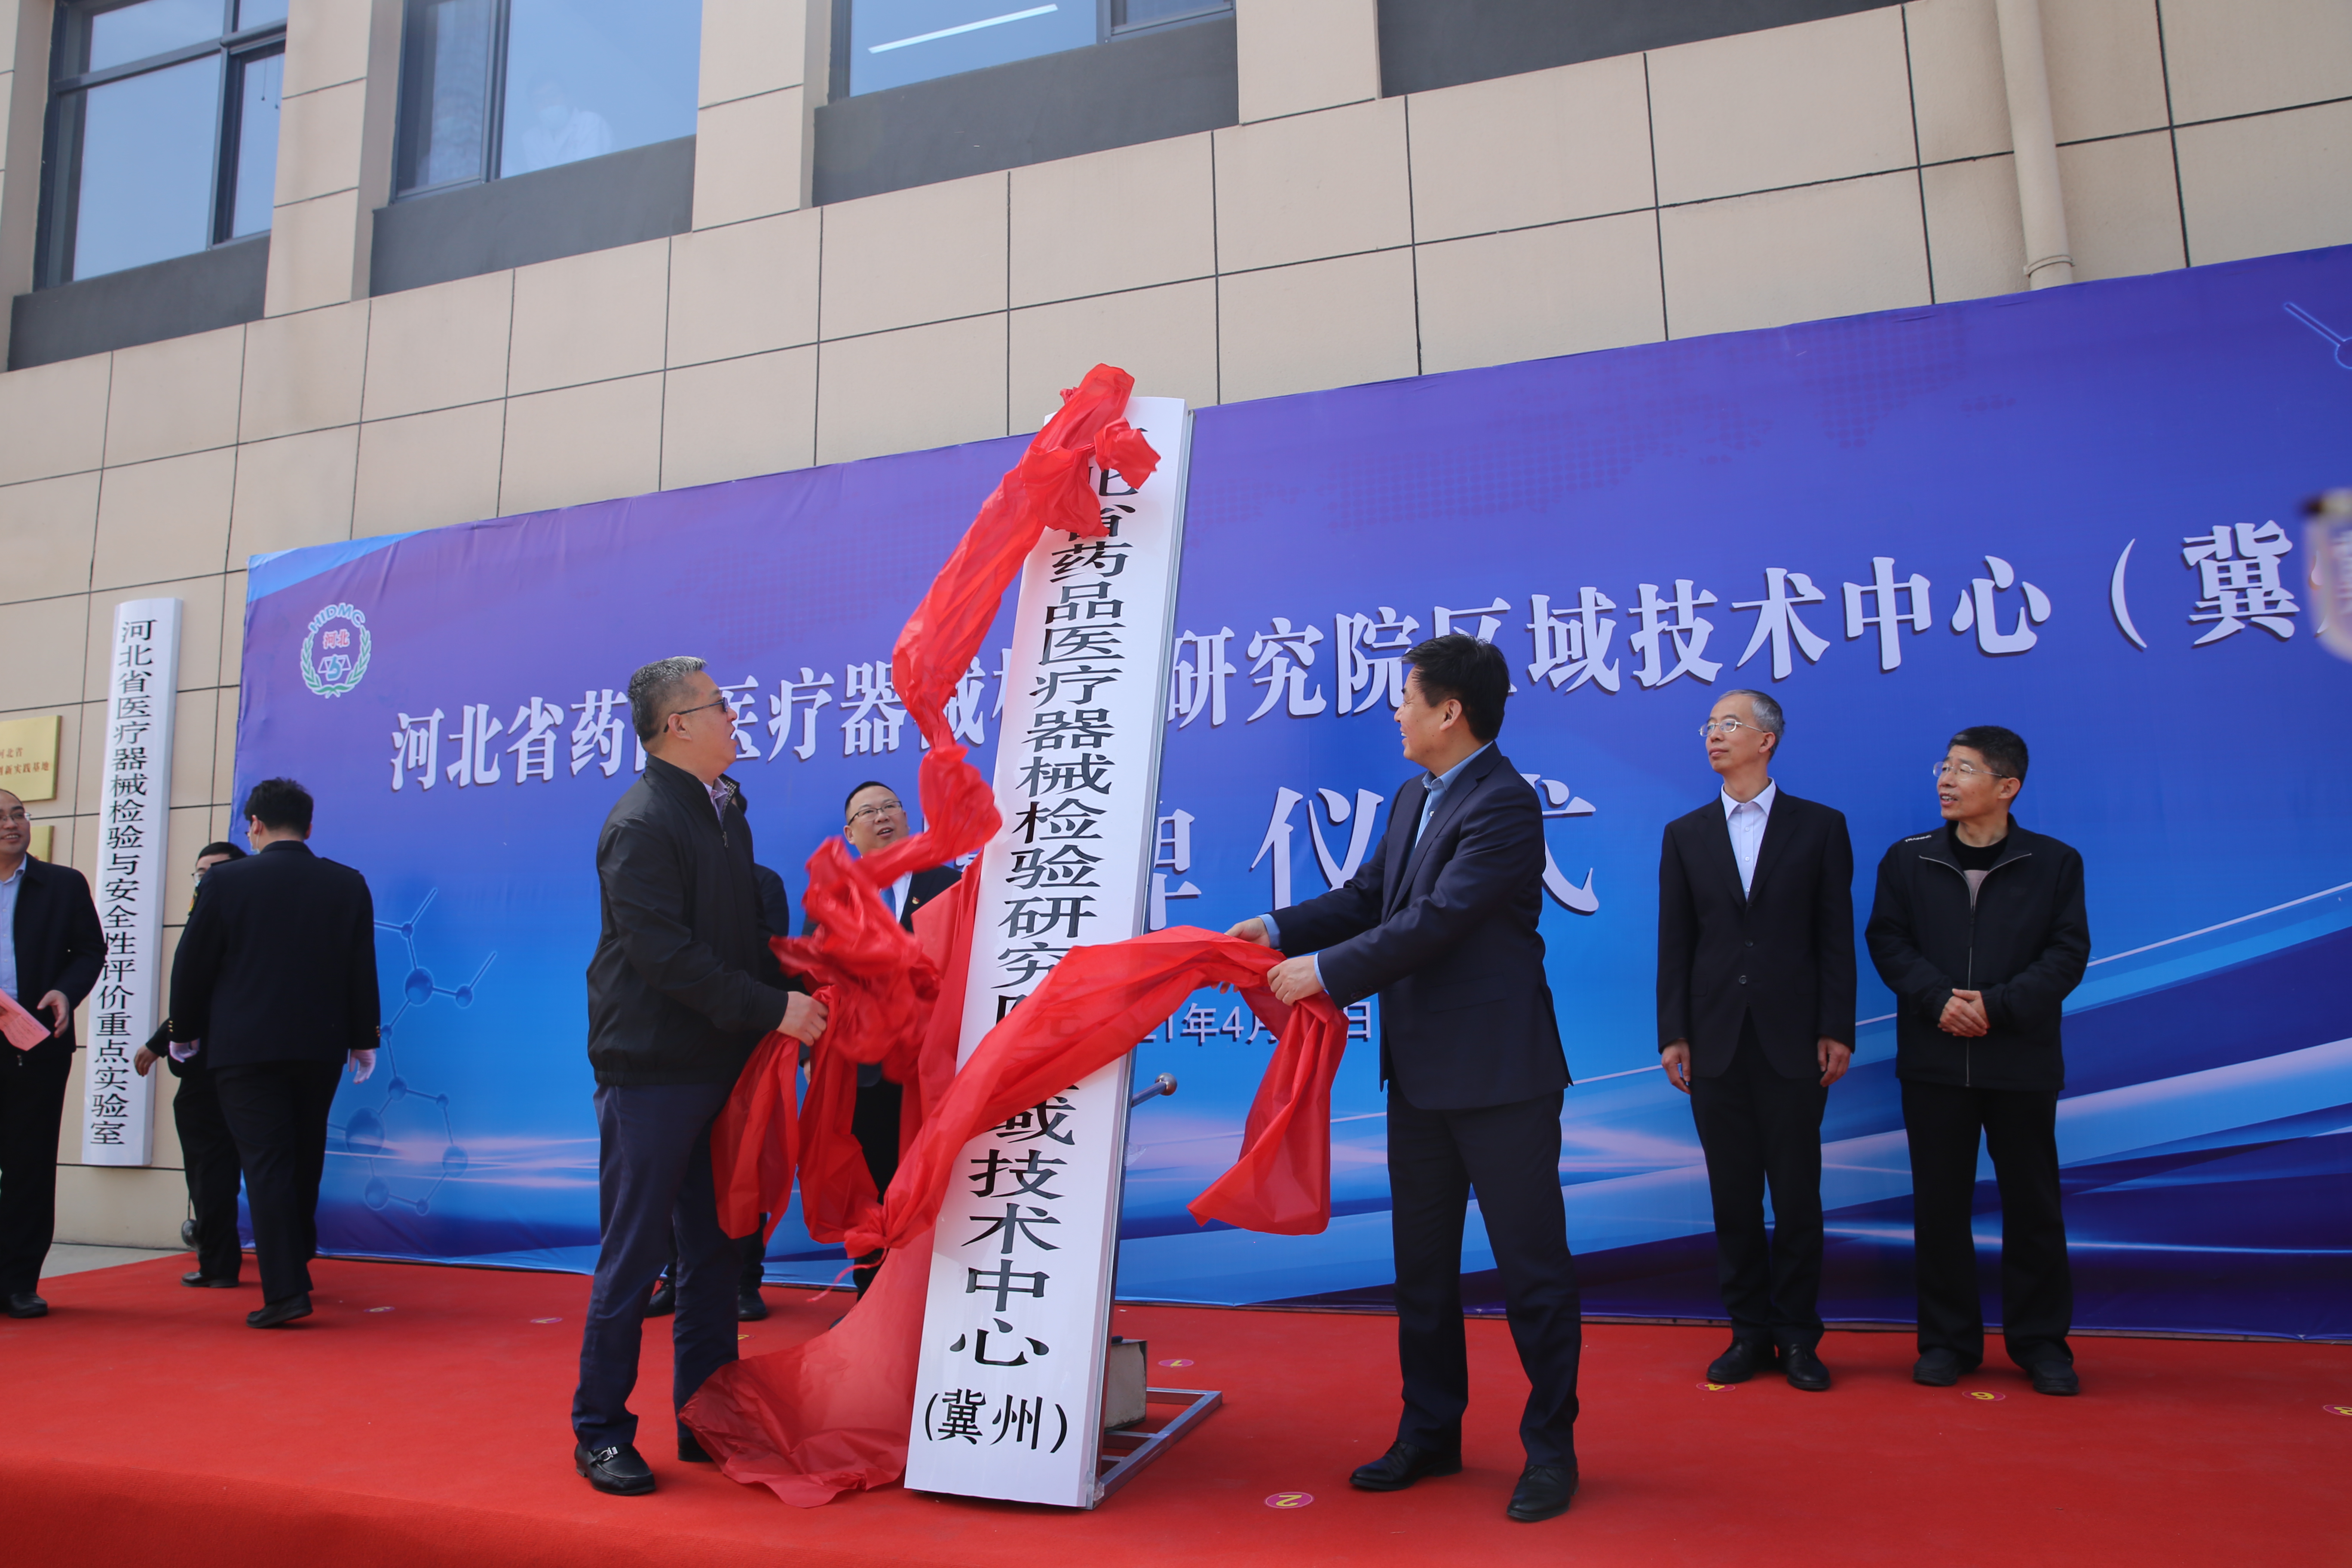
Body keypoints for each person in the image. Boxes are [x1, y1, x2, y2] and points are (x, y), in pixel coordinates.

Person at [1228, 634, 1581, 1525]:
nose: (1396, 712)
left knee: (1531, 1271)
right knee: (1421, 1270)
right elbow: (1368, 898)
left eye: (1406, 697)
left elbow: (1439, 918)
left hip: (1501, 1077)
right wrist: (1277, 929)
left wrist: (1325, 973)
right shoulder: (1414, 796)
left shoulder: (1505, 803)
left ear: (1449, 711)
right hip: (1420, 1076)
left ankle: (1551, 1448)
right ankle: (1430, 1431)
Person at [572, 657, 827, 1498]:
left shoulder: (726, 812)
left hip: (722, 1064)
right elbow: (664, 955)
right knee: (636, 1254)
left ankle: (707, 1417)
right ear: (677, 724)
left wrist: (810, 986)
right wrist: (772, 1008)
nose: (734, 715)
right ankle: (600, 1431)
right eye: (721, 705)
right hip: (651, 1070)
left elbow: (739, 939)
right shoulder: (641, 821)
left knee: (715, 1251)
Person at [1866, 725, 2089, 1396]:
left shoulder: (2054, 862)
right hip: (1935, 1061)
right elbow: (1888, 940)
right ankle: (1946, 1342)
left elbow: (2067, 953)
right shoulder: (1908, 859)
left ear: (2007, 786)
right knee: (1940, 1208)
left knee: (2033, 1206)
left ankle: (2041, 1344)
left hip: (2020, 1061)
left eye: (1963, 769)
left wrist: (1997, 1005)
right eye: (1945, 766)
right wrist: (1939, 1000)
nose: (1946, 779)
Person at [1655, 691, 1855, 1391]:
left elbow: (1834, 937)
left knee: (1797, 1194)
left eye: (1730, 724)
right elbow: (1676, 941)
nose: (1714, 735)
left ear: (1767, 740)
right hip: (1714, 1039)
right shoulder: (1685, 834)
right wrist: (1674, 1032)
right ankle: (1747, 1332)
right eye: (1709, 725)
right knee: (1732, 1195)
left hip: (1794, 1039)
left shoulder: (1819, 826)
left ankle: (1798, 1335)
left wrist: (1835, 1026)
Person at [166, 781, 380, 1329]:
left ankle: (285, 1291)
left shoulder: (224, 881)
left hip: (245, 1049)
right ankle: (296, 1263)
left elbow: (192, 963)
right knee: (304, 1157)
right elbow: (361, 967)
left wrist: (183, 1031)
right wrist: (364, 1038)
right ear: (309, 827)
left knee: (266, 1163)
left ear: (255, 825)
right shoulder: (347, 883)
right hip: (319, 1046)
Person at [808, 781, 961, 1297]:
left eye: (891, 806)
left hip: (931, 1065)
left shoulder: (950, 885)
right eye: (868, 812)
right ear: (850, 834)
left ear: (907, 818)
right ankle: (873, 1302)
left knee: (930, 1180)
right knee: (870, 1182)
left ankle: (930, 1305)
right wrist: (810, 1052)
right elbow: (811, 981)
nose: (882, 817)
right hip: (862, 1070)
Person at [0, 789, 106, 1320]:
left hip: (35, 1042)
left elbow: (90, 950)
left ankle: (19, 1283)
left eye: (18, 814)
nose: (11, 824)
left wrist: (66, 991)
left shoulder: (62, 884)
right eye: (0, 817)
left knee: (29, 1164)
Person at [133, 842, 249, 1289]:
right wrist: (160, 1040)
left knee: (213, 1167)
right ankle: (254, 1258)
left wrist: (166, 1040)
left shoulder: (227, 919)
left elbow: (199, 989)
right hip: (233, 1064)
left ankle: (220, 1260)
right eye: (200, 873)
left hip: (218, 1065)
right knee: (220, 1168)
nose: (206, 880)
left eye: (215, 872)